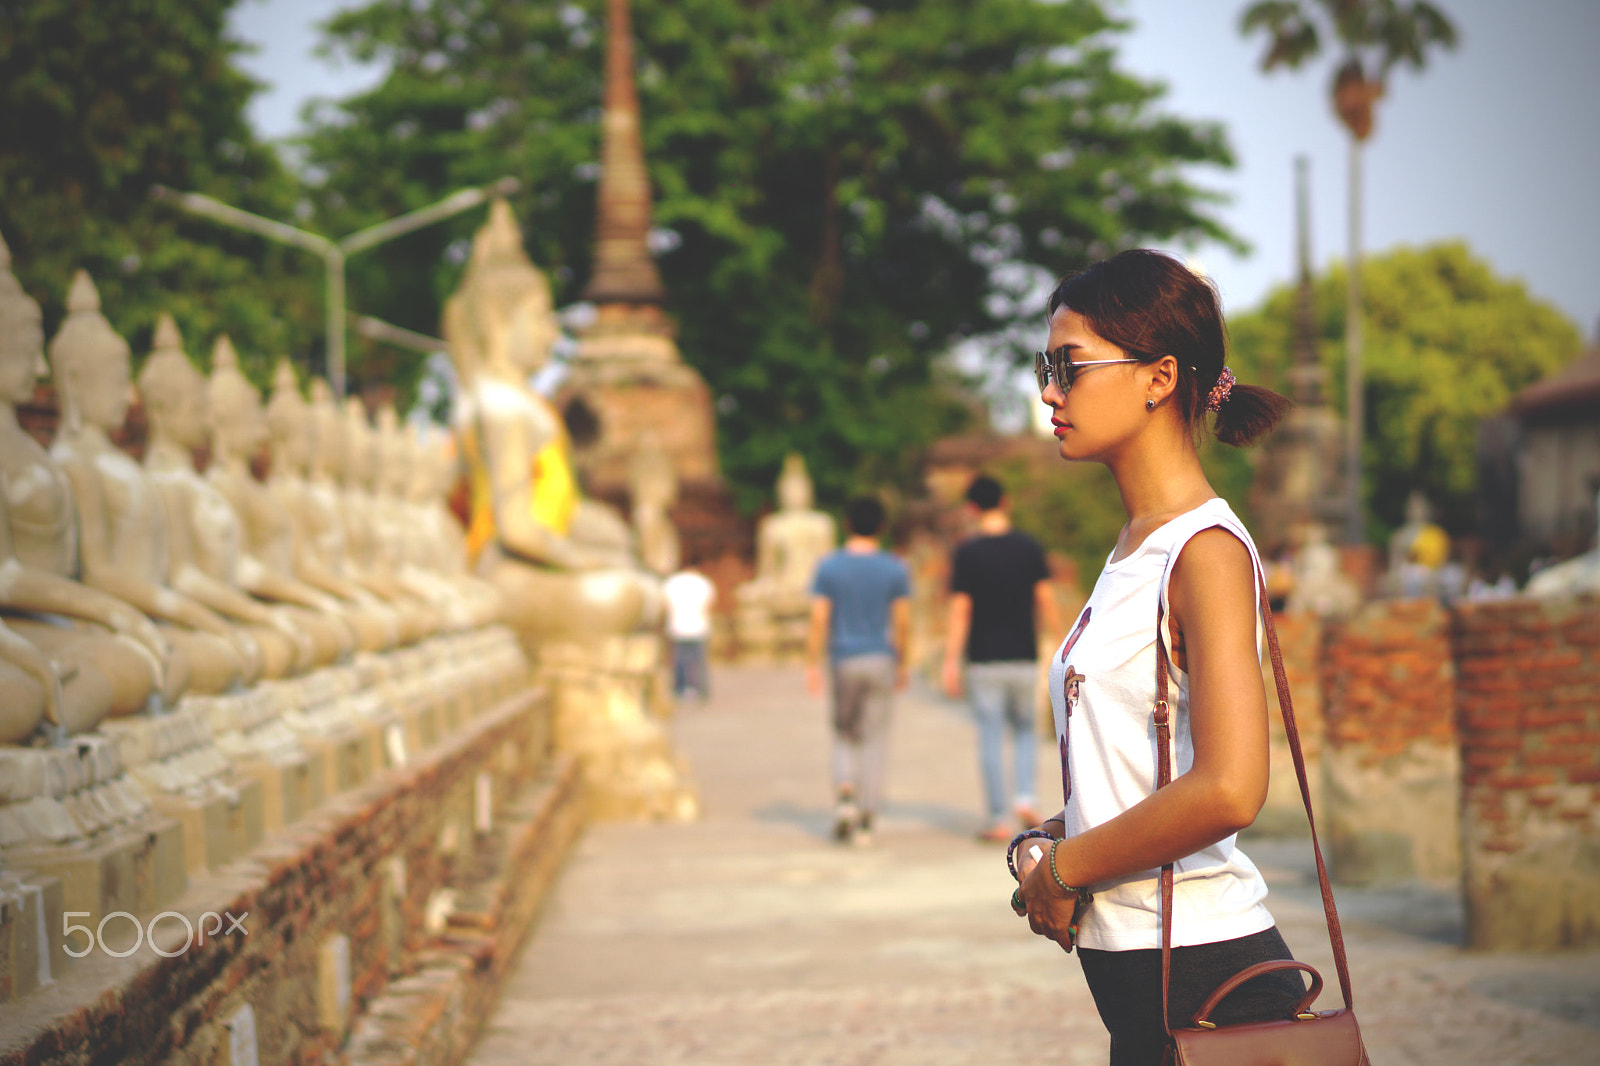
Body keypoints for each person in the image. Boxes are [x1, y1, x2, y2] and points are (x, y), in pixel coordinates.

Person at [1011, 250, 1305, 1066]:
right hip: (1142, 985)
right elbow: (1144, 773)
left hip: (1211, 984)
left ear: (1159, 376)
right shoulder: (1132, 550)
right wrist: (1049, 840)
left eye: (1069, 367)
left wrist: (1067, 870)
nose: (1048, 392)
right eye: (1047, 367)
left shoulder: (1203, 551)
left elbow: (1230, 786)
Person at [941, 473, 1062, 842]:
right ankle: (1025, 796)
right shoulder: (1029, 547)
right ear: (1005, 502)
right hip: (1022, 655)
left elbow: (961, 609)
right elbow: (1045, 598)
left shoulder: (967, 552)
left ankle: (997, 818)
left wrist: (950, 660)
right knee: (1026, 730)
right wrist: (1062, 640)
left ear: (972, 508)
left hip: (983, 659)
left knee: (991, 736)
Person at [804, 495, 910, 845]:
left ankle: (845, 793)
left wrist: (812, 664)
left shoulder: (829, 566)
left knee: (843, 732)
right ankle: (866, 815)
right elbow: (902, 620)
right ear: (881, 526)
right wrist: (903, 662)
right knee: (875, 737)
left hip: (843, 658)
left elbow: (820, 618)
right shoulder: (894, 568)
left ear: (847, 524)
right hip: (880, 657)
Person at [663, 564, 716, 701]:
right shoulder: (703, 583)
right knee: (699, 661)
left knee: (679, 661)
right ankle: (701, 690)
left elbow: (666, 604)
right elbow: (709, 603)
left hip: (678, 627)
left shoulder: (672, 583)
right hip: (698, 627)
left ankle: (680, 690)